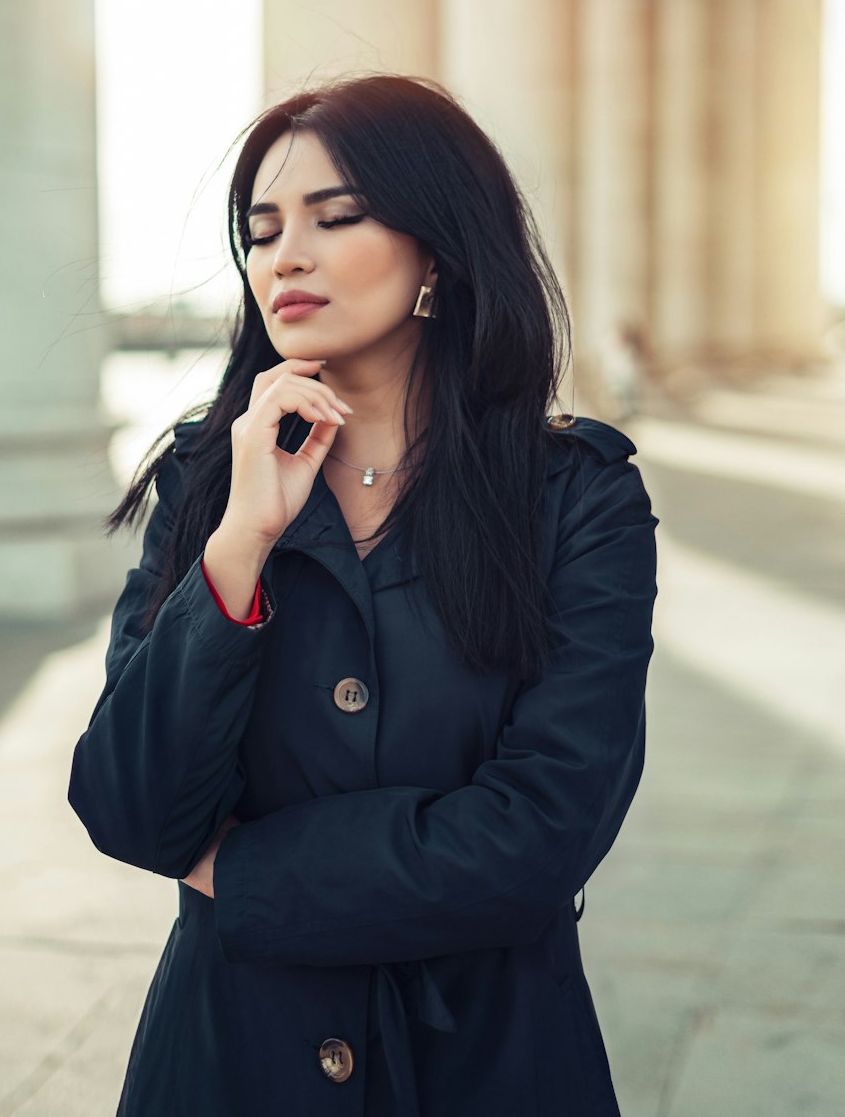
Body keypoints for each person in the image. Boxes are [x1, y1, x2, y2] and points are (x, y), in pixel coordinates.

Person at [68, 73, 659, 1117]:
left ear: (439, 244)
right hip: (227, 1063)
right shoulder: (207, 484)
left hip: (490, 1062)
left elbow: (539, 838)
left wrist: (240, 873)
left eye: (335, 216)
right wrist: (241, 539)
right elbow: (129, 805)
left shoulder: (577, 500)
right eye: (260, 230)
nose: (284, 254)